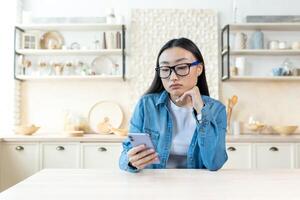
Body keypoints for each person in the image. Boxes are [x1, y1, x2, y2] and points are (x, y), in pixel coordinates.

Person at [119, 37, 228, 172]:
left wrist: (201, 111)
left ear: (199, 69)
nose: (173, 77)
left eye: (182, 67)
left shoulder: (217, 110)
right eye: (165, 69)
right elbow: (126, 154)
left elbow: (214, 163)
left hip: (198, 188)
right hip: (154, 185)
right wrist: (131, 162)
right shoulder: (146, 105)